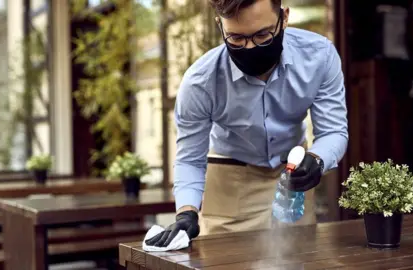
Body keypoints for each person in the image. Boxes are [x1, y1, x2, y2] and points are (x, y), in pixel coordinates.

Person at [145, 0, 348, 247]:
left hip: (294, 178)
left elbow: (334, 131)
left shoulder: (319, 56)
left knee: (298, 260)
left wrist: (317, 159)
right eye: (236, 39)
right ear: (220, 25)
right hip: (230, 182)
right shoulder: (200, 82)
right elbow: (189, 158)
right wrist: (186, 211)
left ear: (284, 18)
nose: (250, 47)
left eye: (262, 35)